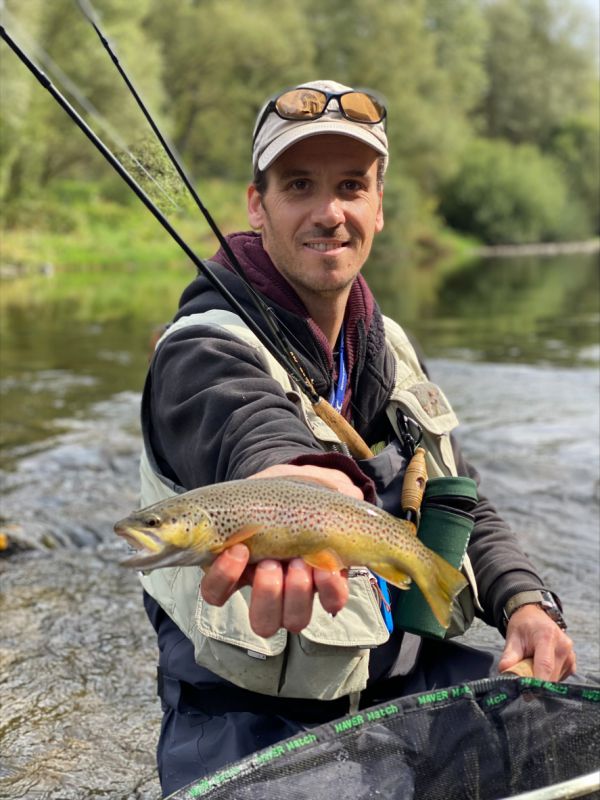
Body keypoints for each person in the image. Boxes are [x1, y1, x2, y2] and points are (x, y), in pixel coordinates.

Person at [138, 79, 576, 797]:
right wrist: (295, 482)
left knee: (556, 730)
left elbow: (460, 498)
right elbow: (249, 428)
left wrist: (525, 602)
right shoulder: (200, 350)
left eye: (351, 186)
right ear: (257, 205)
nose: (329, 212)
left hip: (396, 687)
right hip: (247, 720)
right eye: (299, 185)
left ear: (378, 206)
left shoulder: (389, 347)